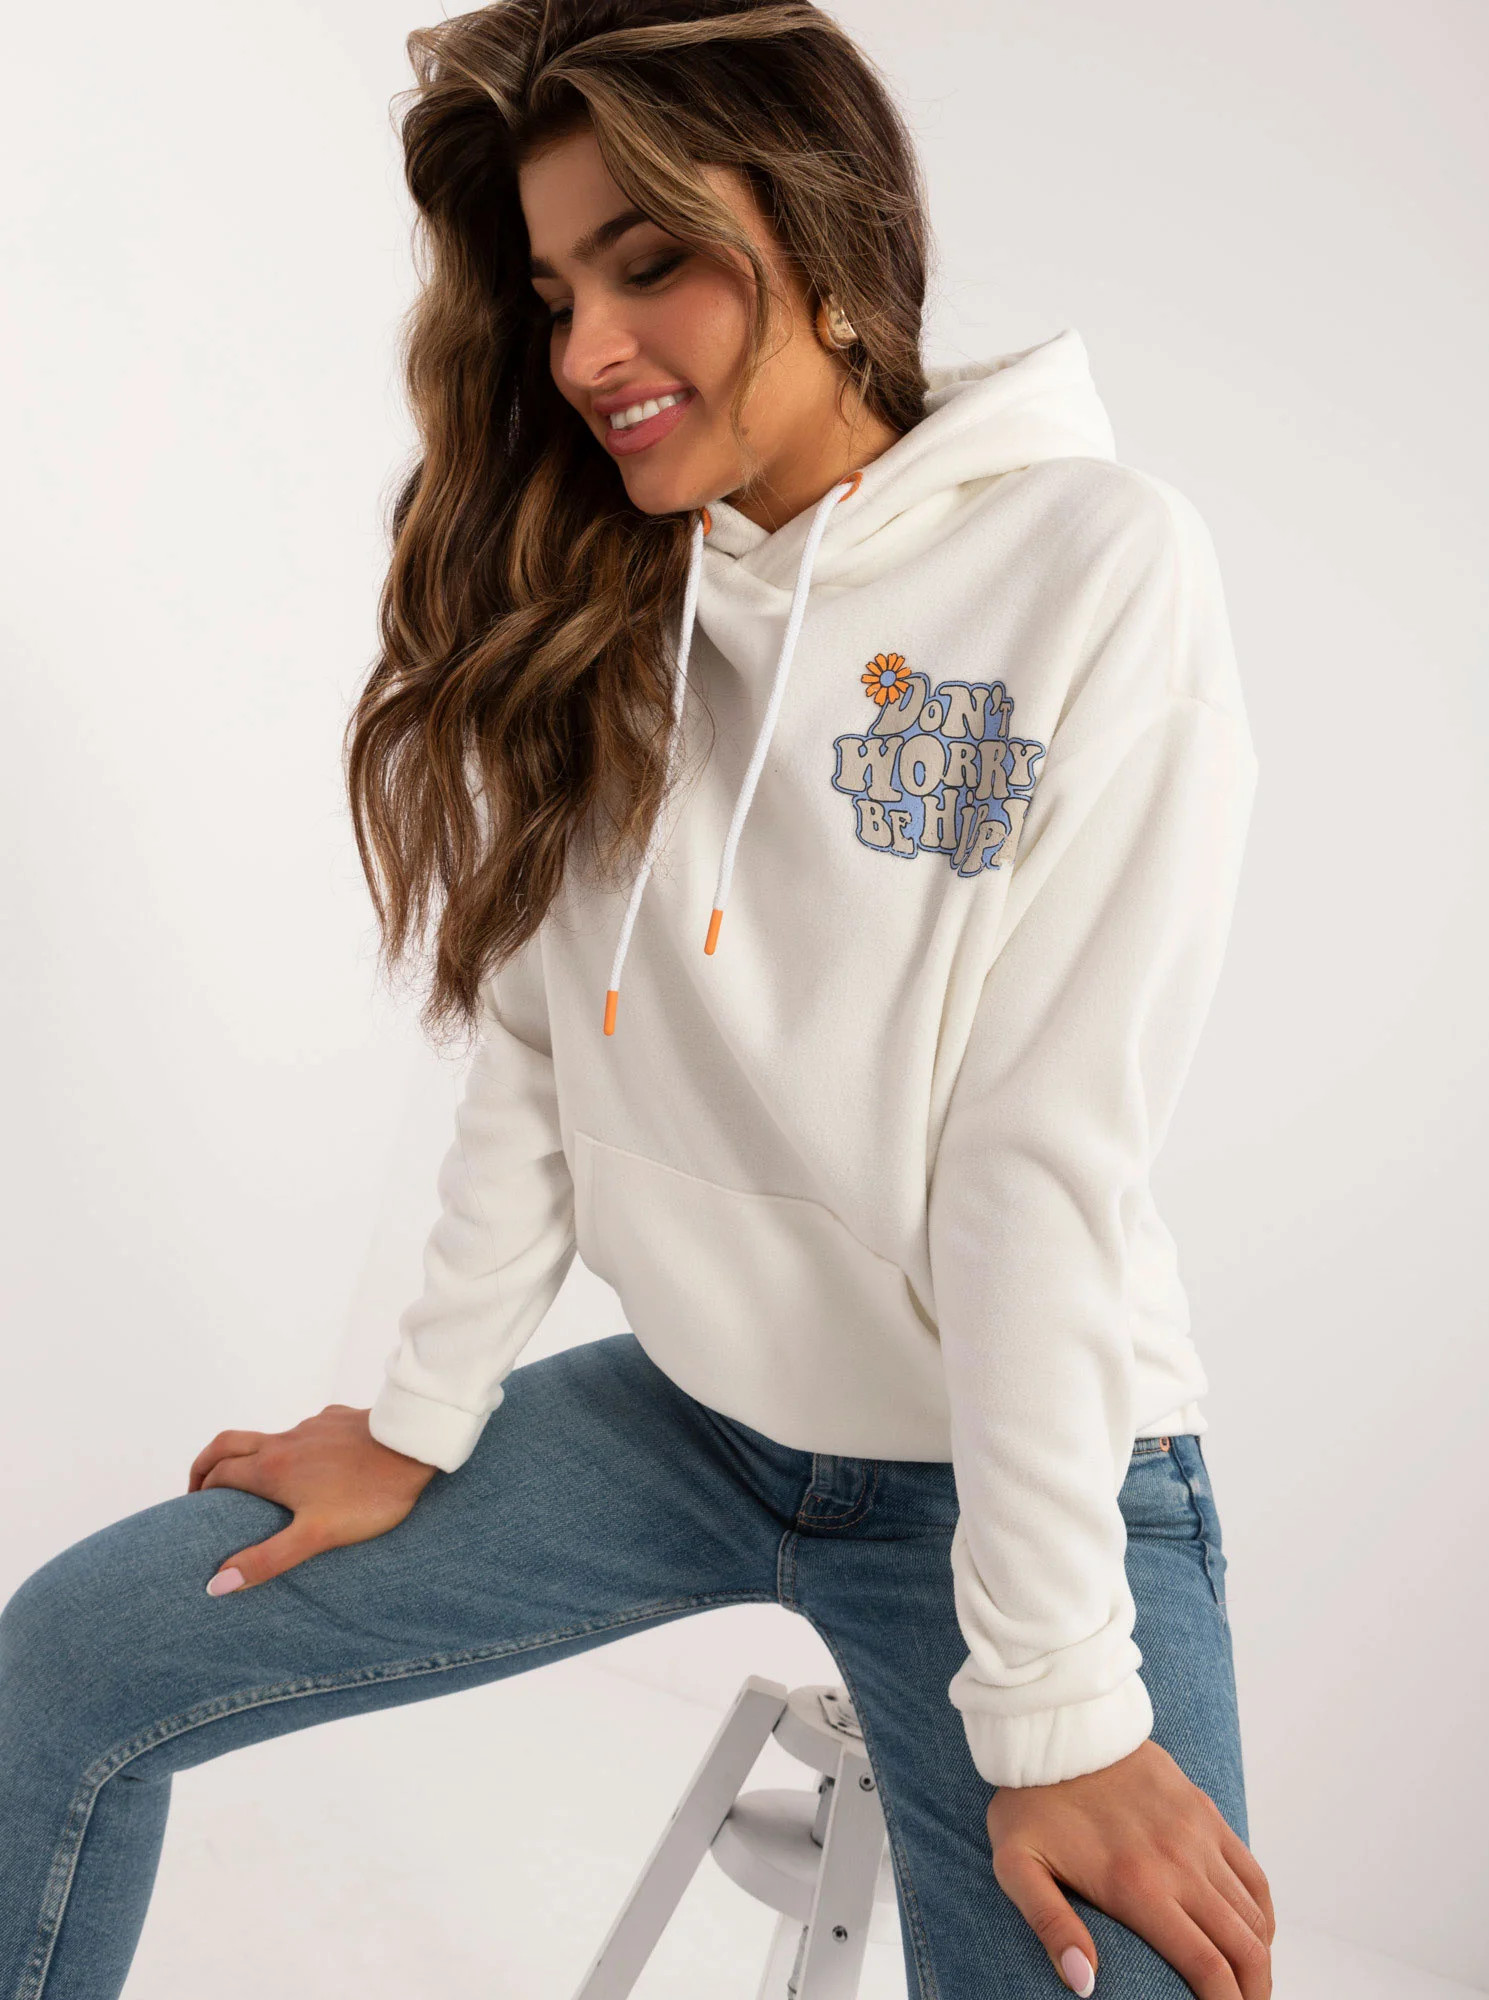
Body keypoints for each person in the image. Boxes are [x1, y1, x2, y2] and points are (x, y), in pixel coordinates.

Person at [0, 2, 1275, 1994]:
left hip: (1023, 1465)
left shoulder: (1096, 566)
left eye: (650, 261)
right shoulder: (613, 589)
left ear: (826, 234)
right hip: (691, 1421)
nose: (589, 350)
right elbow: (539, 1048)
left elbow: (1035, 1163)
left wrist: (1058, 1709)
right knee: (69, 1662)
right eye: (551, 296)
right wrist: (417, 1421)